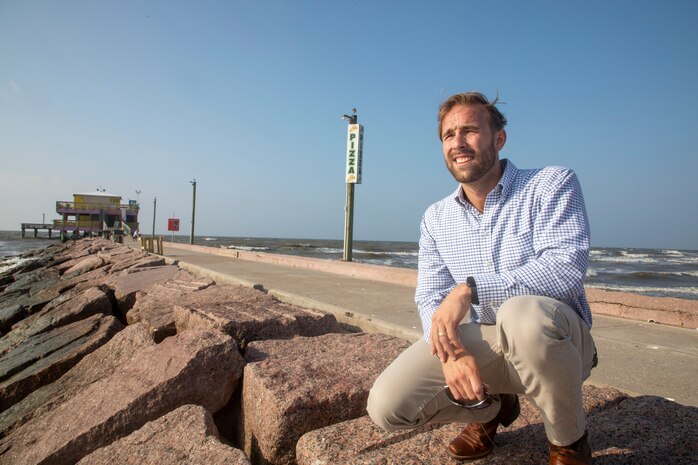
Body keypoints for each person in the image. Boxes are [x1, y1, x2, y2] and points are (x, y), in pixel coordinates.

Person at [367, 92, 597, 465]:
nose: (457, 143)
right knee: (387, 406)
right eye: (448, 135)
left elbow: (565, 270)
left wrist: (469, 290)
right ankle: (490, 410)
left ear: (498, 139)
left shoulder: (551, 184)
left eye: (470, 130)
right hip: (487, 342)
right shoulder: (436, 218)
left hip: (555, 340)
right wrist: (451, 353)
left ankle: (568, 442)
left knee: (520, 314)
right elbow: (429, 298)